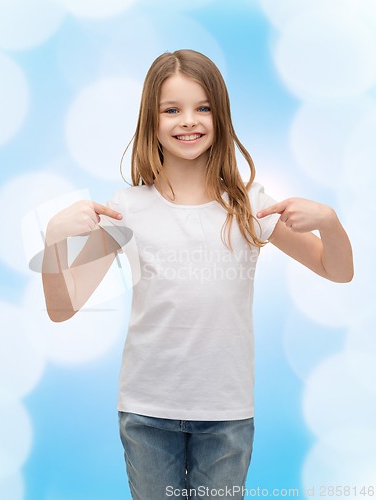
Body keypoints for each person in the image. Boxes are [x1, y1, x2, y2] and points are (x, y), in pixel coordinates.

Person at [41, 50, 353, 499]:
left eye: (202, 107)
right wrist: (54, 242)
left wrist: (330, 221)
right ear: (151, 120)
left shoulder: (250, 204)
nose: (189, 121)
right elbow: (61, 308)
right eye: (172, 109)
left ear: (220, 115)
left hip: (225, 413)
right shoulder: (125, 208)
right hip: (147, 412)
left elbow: (337, 270)